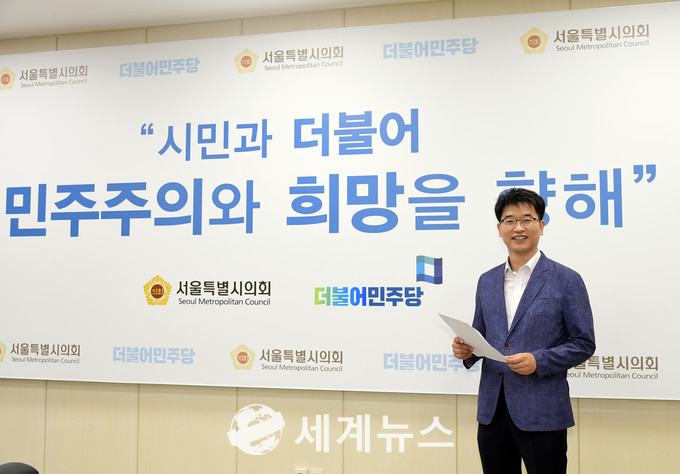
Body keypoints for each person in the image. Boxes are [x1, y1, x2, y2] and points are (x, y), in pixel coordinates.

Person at [452, 188, 595, 474]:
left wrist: (538, 361)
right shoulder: (487, 281)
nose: (518, 227)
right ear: (499, 229)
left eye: (527, 219)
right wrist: (467, 350)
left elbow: (583, 343)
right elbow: (481, 336)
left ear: (541, 225)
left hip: (542, 411)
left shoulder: (566, 280)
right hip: (492, 411)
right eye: (510, 220)